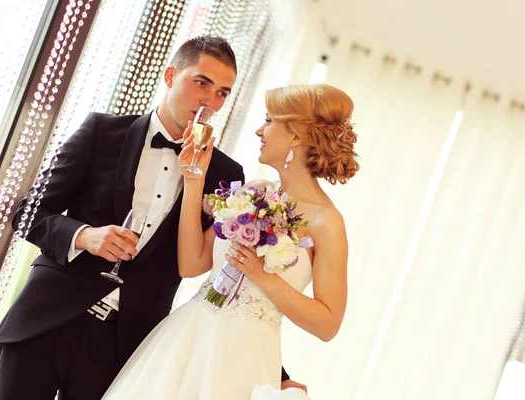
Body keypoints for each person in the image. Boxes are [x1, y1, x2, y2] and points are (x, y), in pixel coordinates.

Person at [0, 36, 302, 400]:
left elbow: (227, 275)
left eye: (222, 93)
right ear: (170, 75)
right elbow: (26, 213)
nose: (209, 101)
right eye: (201, 83)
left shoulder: (225, 174)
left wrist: (276, 373)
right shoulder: (101, 132)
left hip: (125, 351)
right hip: (44, 322)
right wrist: (84, 236)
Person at [101, 83, 359, 399]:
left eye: (268, 120)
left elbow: (328, 324)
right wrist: (194, 181)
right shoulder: (254, 190)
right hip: (186, 339)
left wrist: (262, 276)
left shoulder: (326, 222)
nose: (258, 130)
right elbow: (191, 263)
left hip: (243, 359)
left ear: (297, 135)